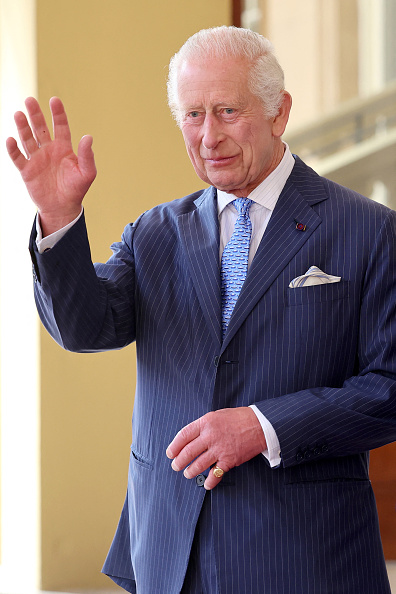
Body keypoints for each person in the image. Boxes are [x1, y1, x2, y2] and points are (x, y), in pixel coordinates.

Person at [7, 25, 396, 594]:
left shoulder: (369, 229)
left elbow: (388, 389)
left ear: (279, 112)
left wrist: (263, 427)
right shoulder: (153, 233)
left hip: (305, 558)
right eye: (192, 115)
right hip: (169, 554)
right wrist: (60, 220)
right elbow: (86, 328)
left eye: (227, 111)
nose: (208, 135)